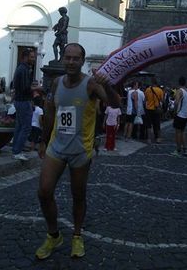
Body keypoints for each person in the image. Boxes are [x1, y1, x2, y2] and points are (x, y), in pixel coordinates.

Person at [35, 43, 120, 260]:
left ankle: (76, 235)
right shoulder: (56, 83)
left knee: (78, 196)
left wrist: (108, 86)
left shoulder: (91, 84)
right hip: (56, 147)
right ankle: (54, 235)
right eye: (68, 57)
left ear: (82, 61)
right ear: (63, 58)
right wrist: (43, 141)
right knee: (44, 192)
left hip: (80, 150)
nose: (71, 62)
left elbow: (114, 103)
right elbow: (51, 112)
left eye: (76, 58)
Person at [12, 49, 36, 161]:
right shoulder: (24, 69)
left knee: (19, 126)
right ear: (25, 57)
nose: (34, 59)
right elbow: (26, 88)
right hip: (23, 101)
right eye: (31, 57)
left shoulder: (20, 68)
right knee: (26, 127)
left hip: (18, 100)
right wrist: (37, 88)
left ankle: (15, 150)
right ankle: (17, 151)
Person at [172, 76, 187, 157]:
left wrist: (175, 112)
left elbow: (176, 102)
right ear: (185, 82)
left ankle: (177, 150)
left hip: (179, 114)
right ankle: (185, 150)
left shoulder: (179, 91)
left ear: (179, 83)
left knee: (177, 133)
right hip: (186, 115)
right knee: (183, 132)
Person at [144, 78, 164, 144]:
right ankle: (158, 138)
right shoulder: (160, 90)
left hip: (149, 109)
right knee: (157, 124)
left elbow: (146, 99)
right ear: (156, 83)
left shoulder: (147, 90)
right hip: (156, 109)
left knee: (149, 125)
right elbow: (162, 100)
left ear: (152, 83)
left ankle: (149, 139)